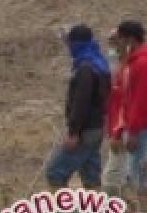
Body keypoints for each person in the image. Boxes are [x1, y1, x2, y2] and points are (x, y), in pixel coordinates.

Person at [44, 24, 110, 191]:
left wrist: (74, 133)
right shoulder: (99, 64)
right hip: (96, 128)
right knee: (91, 176)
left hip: (85, 131)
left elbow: (81, 103)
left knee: (55, 172)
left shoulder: (85, 69)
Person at [103, 20, 147, 209]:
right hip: (133, 123)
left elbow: (139, 100)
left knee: (132, 171)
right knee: (138, 167)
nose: (117, 43)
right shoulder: (133, 60)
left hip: (140, 126)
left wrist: (133, 131)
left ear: (129, 39)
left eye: (120, 39)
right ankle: (145, 207)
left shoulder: (142, 64)